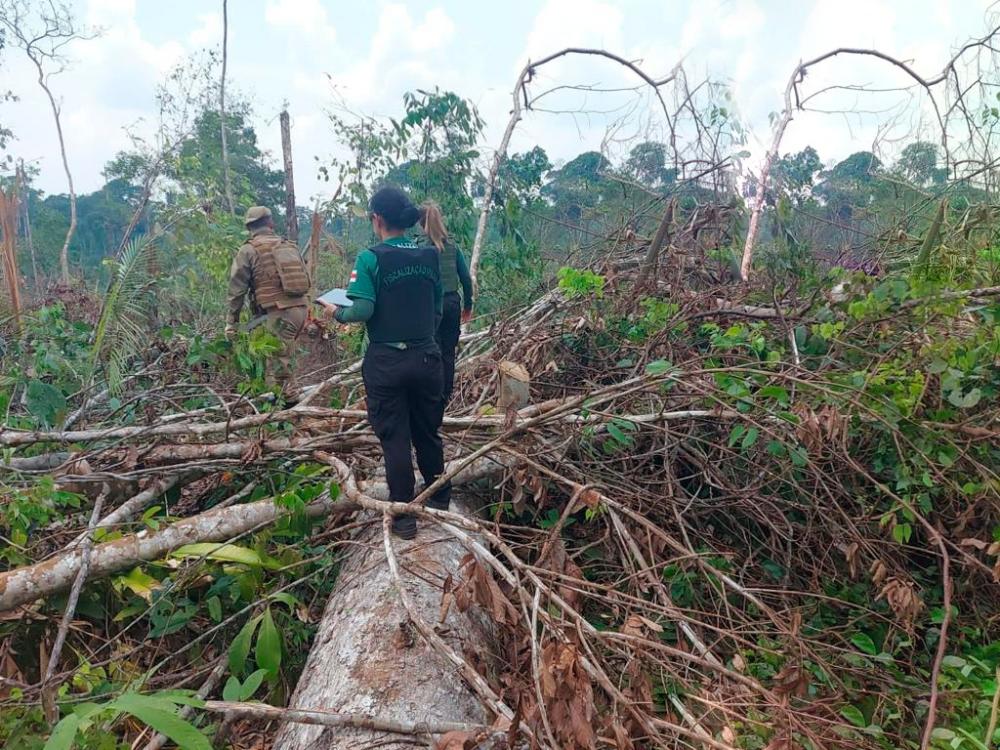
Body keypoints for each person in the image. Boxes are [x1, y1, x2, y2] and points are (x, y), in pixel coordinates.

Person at [322, 186, 450, 539]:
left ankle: (405, 517)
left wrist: (337, 313)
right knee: (427, 429)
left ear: (377, 219)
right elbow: (437, 308)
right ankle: (440, 497)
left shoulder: (370, 258)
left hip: (387, 361)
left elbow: (363, 309)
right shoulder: (429, 255)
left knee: (395, 437)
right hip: (427, 357)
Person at [226, 206, 310, 391]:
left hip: (279, 313)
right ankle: (286, 402)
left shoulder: (248, 250)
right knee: (280, 358)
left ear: (249, 228)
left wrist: (232, 322)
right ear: (271, 223)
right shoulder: (289, 245)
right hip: (300, 310)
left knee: (277, 368)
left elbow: (237, 291)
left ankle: (283, 412)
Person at [417, 201, 473, 403]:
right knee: (448, 352)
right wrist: (468, 307)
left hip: (432, 307)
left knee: (433, 350)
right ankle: (446, 395)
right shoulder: (453, 248)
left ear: (422, 224)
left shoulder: (422, 250)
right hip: (452, 304)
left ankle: (433, 394)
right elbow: (466, 279)